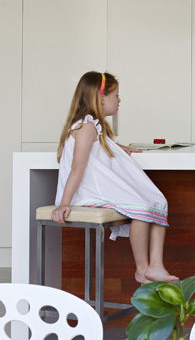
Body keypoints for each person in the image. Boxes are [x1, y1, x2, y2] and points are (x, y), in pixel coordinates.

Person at [52, 70, 177, 284]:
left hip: (94, 190)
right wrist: (64, 203)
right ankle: (142, 268)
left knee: (157, 200)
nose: (119, 100)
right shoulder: (86, 127)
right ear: (101, 98)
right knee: (142, 207)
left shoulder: (93, 127)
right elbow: (77, 167)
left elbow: (96, 149)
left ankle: (156, 265)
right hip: (85, 194)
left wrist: (118, 148)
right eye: (116, 95)